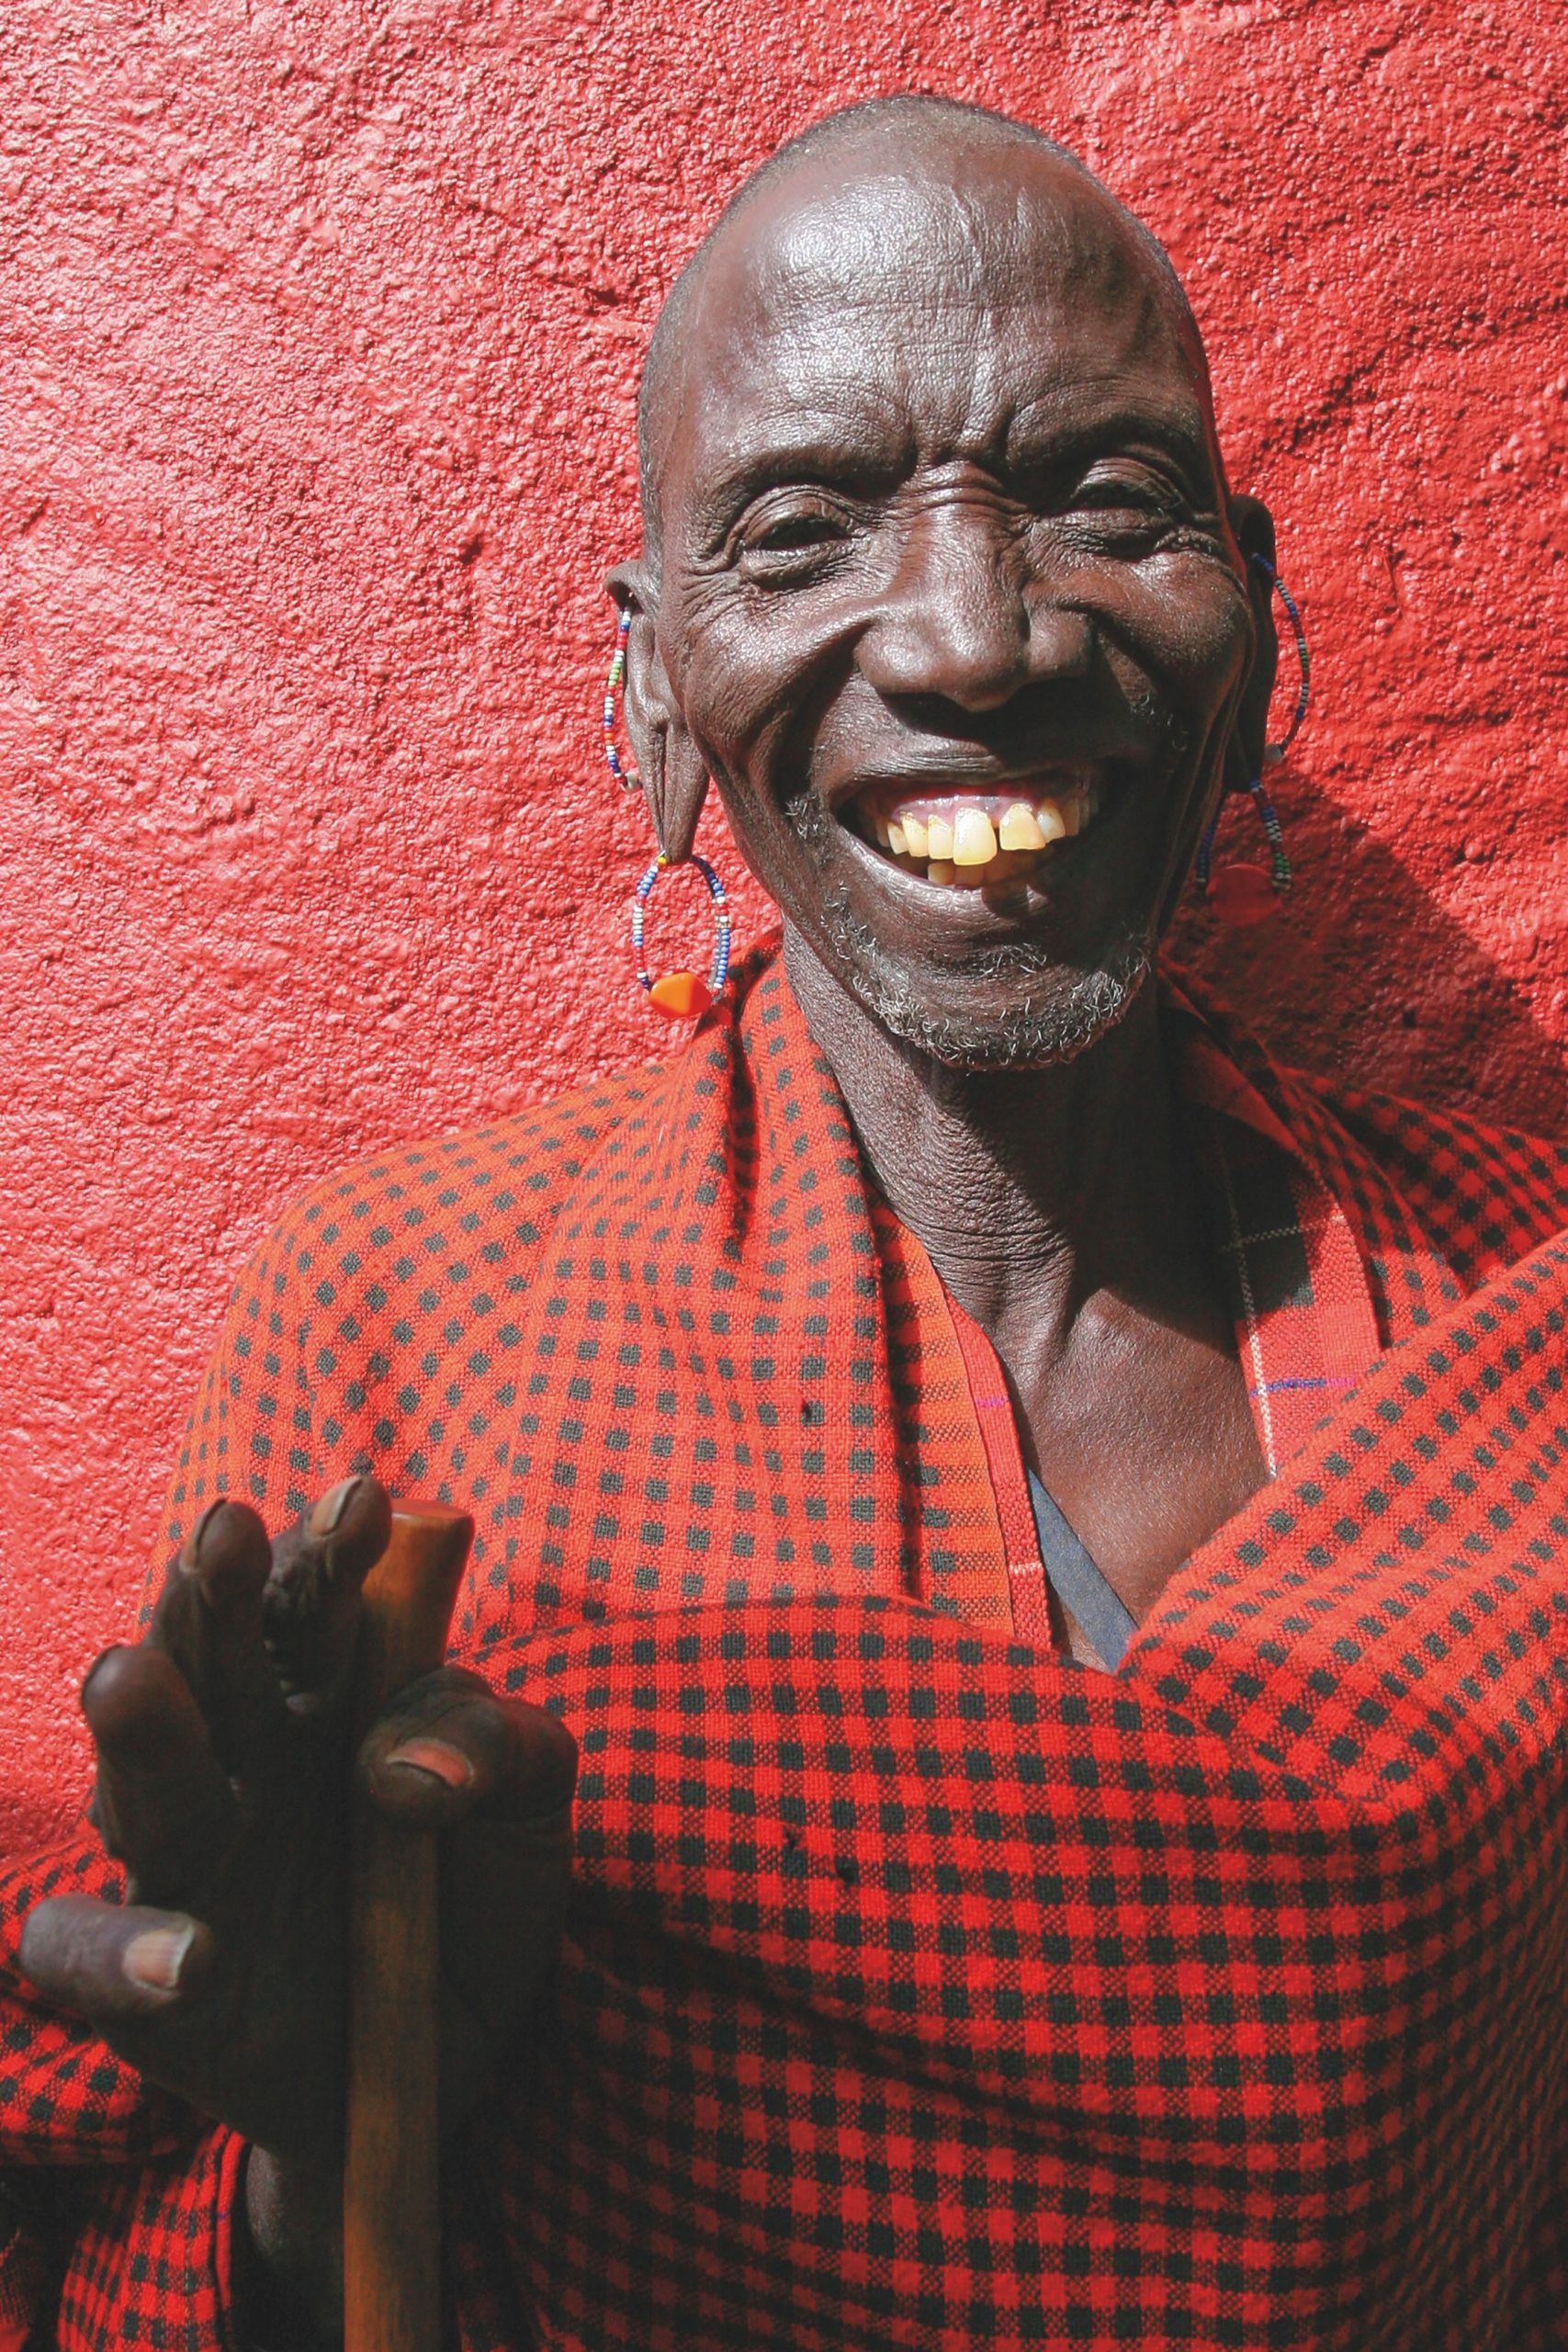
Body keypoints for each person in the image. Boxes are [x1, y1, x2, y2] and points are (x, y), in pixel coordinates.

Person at [3, 92, 1567, 2352]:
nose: (970, 638)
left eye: (1100, 501)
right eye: (804, 528)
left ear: (1245, 637)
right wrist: (339, 2137)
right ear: (655, 696)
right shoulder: (395, 1333)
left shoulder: (1506, 1291)